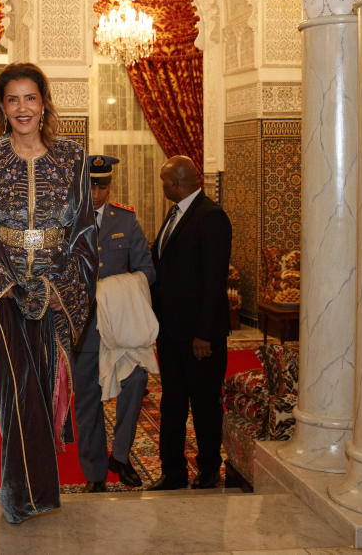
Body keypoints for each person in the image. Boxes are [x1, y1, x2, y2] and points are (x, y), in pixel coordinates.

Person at [0, 63, 97, 524]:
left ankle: (32, 491)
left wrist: (64, 287)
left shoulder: (74, 159)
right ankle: (22, 497)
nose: (22, 108)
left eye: (30, 98)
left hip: (56, 282)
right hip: (2, 284)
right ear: (2, 107)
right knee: (17, 378)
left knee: (38, 382)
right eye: (13, 99)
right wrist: (4, 279)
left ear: (44, 104)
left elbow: (82, 230)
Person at [148, 155, 232, 491]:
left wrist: (203, 334)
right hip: (170, 332)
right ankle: (173, 472)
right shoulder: (175, 213)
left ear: (177, 182)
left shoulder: (211, 217)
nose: (163, 186)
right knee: (172, 402)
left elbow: (214, 281)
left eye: (164, 181)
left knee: (204, 405)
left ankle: (209, 469)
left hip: (199, 337)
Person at [73, 154, 156, 492]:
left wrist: (110, 291)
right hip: (84, 329)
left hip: (121, 324)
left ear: (109, 187)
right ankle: (94, 474)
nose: (96, 193)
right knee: (88, 399)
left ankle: (120, 456)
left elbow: (146, 272)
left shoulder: (126, 221)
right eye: (91, 185)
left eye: (102, 186)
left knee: (136, 382)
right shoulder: (67, 221)